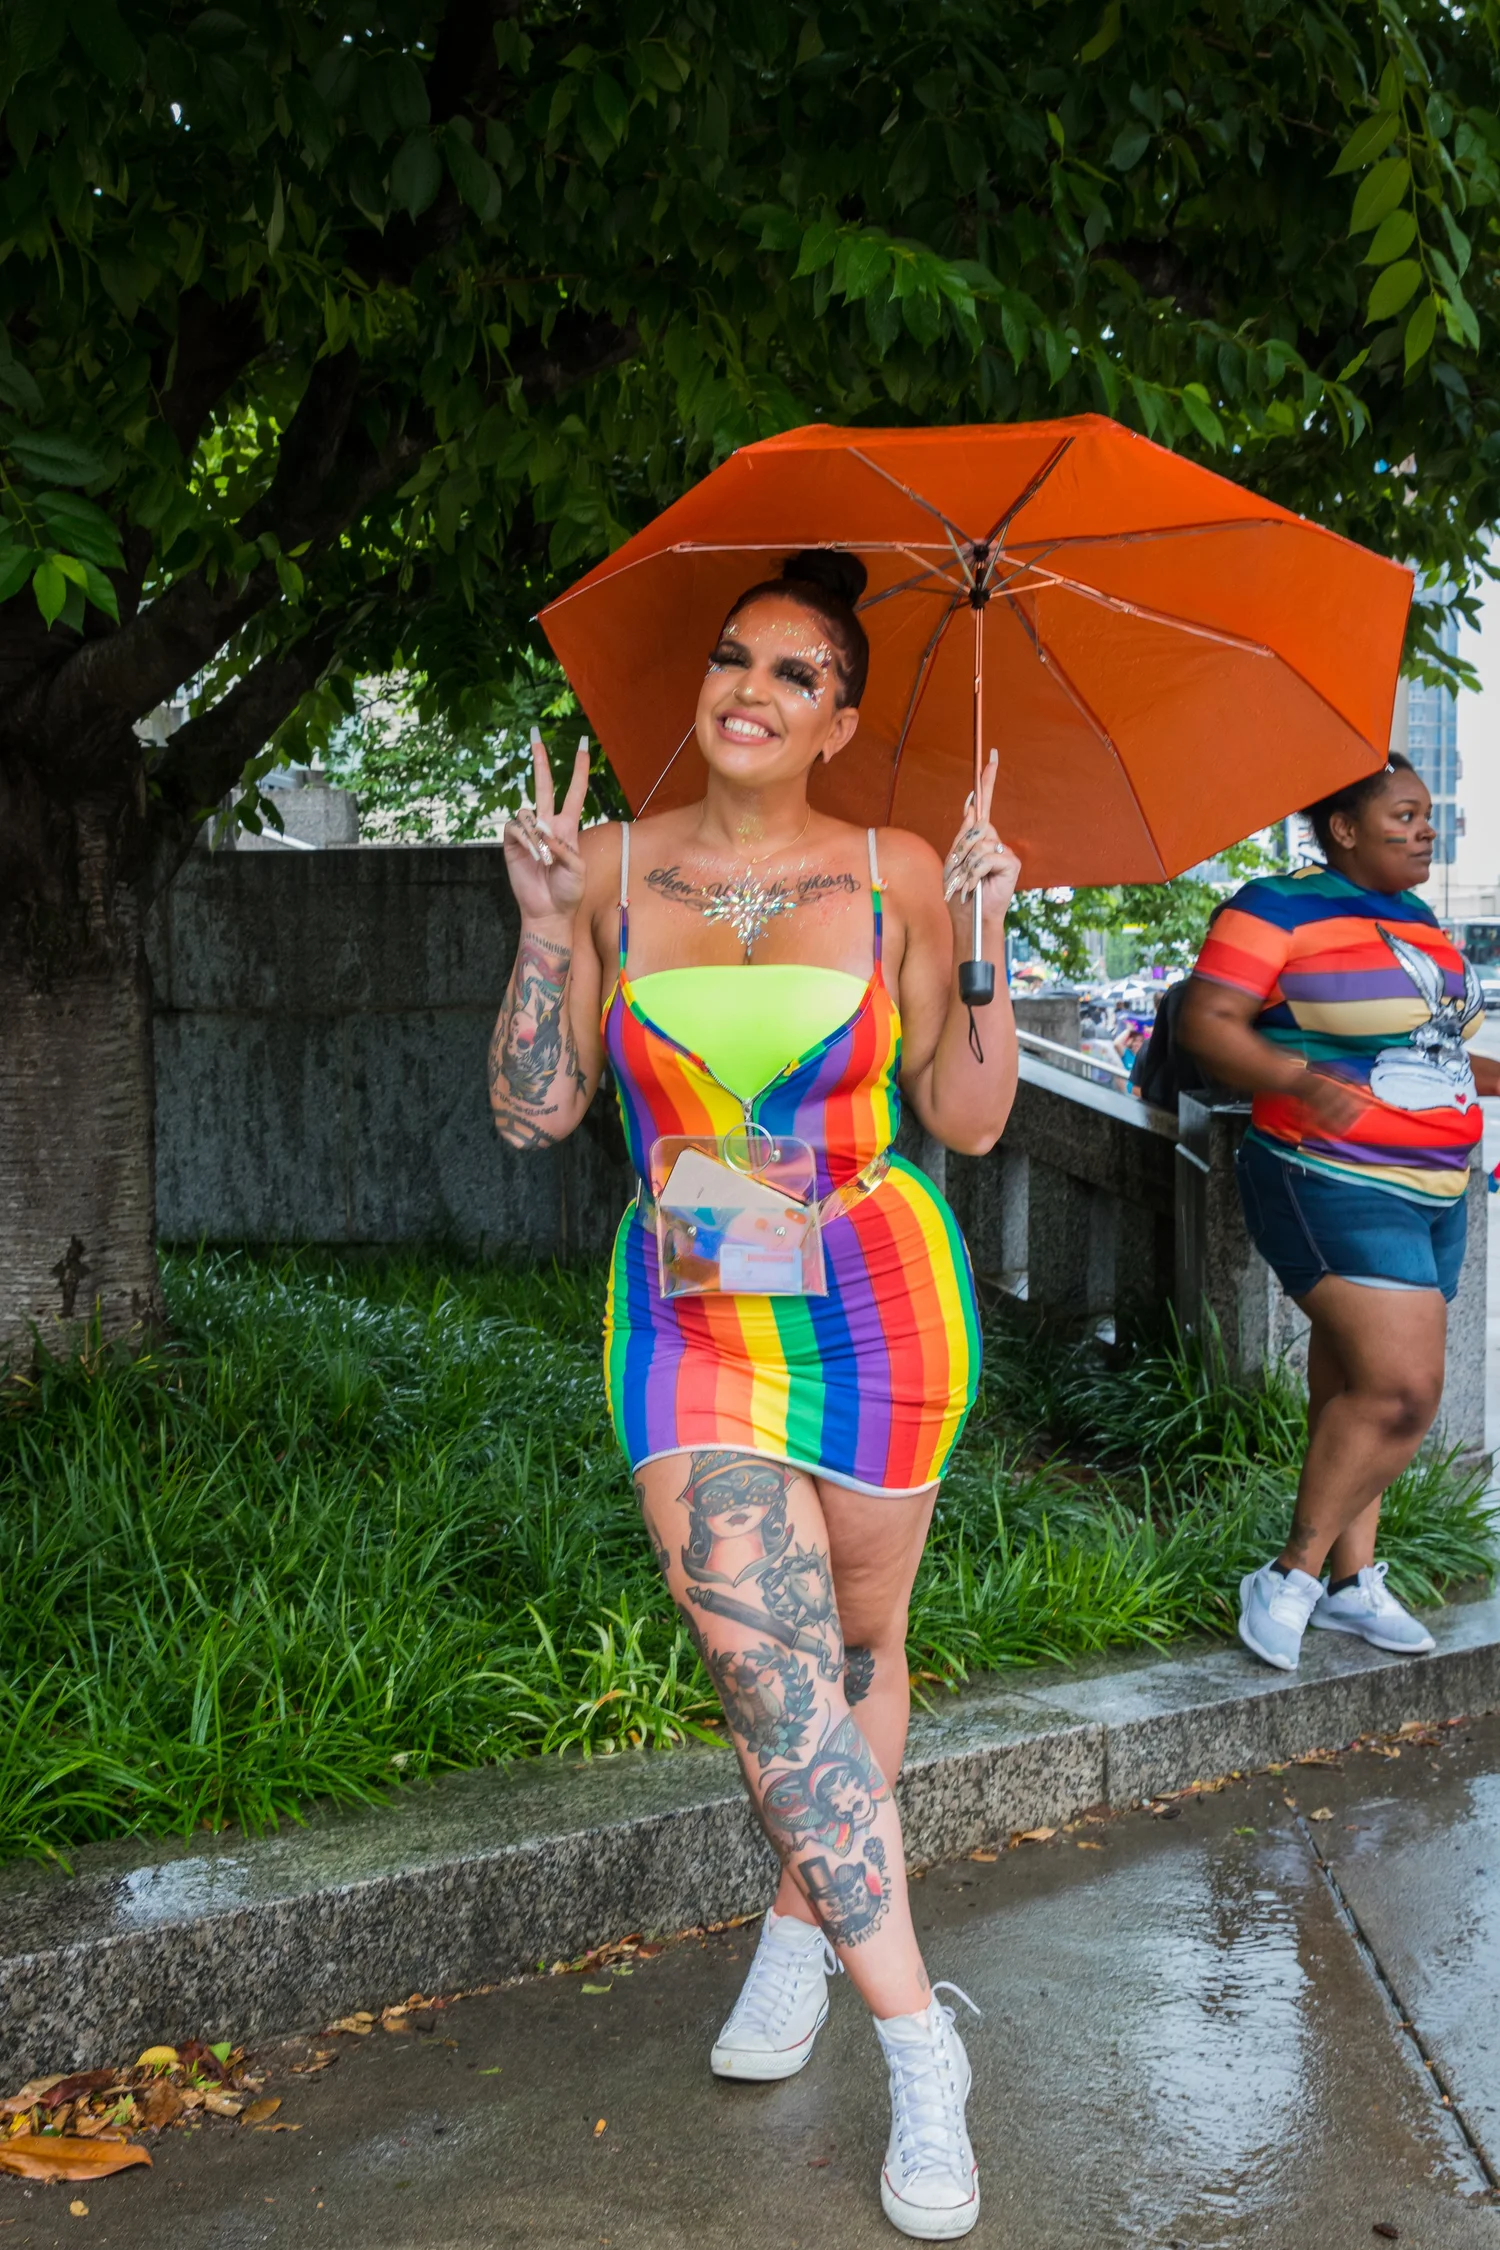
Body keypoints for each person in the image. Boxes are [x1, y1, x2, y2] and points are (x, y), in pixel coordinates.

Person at [489, 550, 1020, 2240]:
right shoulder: (606, 867)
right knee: (768, 1673)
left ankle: (801, 1931)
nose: (755, 687)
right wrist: (538, 928)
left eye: (799, 673)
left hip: (878, 1303)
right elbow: (532, 1114)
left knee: (856, 1656)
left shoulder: (896, 871)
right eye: (736, 656)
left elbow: (973, 1114)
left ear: (839, 721)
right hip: (690, 1307)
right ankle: (923, 2046)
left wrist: (989, 934)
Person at [1179, 753, 1499, 1674]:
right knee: (1404, 1388)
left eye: (1429, 815)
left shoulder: (1420, 922)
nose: (1426, 829)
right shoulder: (1275, 906)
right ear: (1344, 828)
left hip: (1437, 1188)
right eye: (1405, 815)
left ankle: (1355, 1584)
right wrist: (1294, 1078)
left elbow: (1429, 1051)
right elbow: (1209, 1021)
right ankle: (1292, 1574)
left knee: (1356, 1386)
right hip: (1328, 1175)